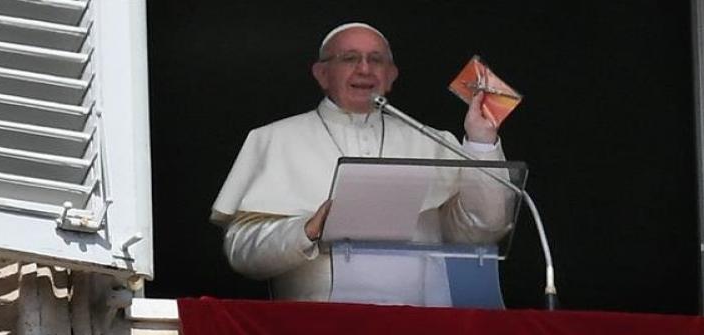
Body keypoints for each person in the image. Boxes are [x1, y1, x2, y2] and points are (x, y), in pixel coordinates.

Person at [210, 22, 511, 305]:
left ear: (392, 75)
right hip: (319, 331)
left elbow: (480, 232)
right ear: (322, 74)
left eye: (376, 60)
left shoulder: (433, 142)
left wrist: (480, 142)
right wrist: (307, 229)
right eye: (349, 58)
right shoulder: (275, 139)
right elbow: (241, 252)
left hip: (423, 326)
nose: (364, 69)